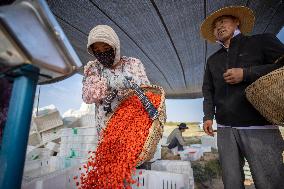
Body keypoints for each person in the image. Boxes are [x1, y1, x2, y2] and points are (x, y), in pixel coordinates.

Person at [200, 6, 284, 189]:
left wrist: (247, 74)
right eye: (215, 26)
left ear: (237, 21)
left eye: (223, 21)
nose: (219, 27)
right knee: (231, 183)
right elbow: (208, 90)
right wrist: (208, 116)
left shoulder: (261, 41)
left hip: (259, 127)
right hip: (225, 131)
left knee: (269, 181)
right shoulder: (213, 60)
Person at [82, 25, 150, 137]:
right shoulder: (93, 68)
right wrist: (110, 82)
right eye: (97, 50)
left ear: (115, 46)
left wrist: (132, 83)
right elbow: (87, 96)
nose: (103, 53)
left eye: (106, 48)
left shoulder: (133, 64)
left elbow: (146, 89)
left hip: (133, 125)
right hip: (107, 130)